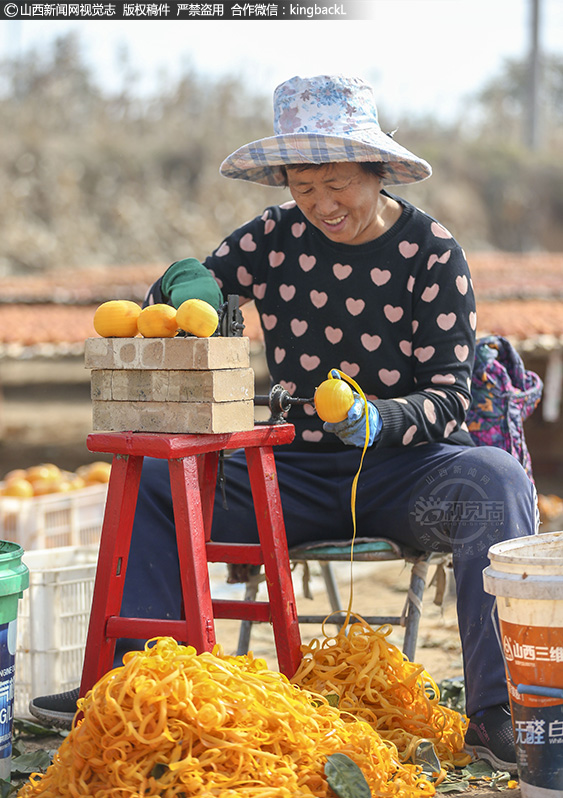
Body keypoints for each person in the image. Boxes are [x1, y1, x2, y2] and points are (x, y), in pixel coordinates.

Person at [31, 74, 536, 773]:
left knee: (496, 481)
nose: (322, 205)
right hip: (283, 477)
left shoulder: (432, 252)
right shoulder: (273, 237)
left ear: (375, 171)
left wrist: (375, 418)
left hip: (406, 475)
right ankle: (133, 686)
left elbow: (451, 395)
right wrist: (189, 284)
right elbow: (179, 294)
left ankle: (498, 713)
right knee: (154, 476)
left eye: (337, 185)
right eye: (304, 188)